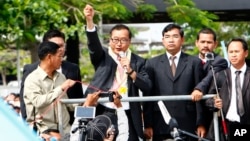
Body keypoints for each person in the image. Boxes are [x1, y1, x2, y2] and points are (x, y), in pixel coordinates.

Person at [83, 4, 152, 141]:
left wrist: (131, 71)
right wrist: (89, 21)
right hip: (103, 109)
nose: (118, 44)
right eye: (115, 40)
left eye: (123, 40)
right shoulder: (102, 56)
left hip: (128, 110)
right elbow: (93, 44)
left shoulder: (139, 61)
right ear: (110, 40)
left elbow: (147, 85)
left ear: (129, 42)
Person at [143, 23, 206, 141]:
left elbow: (199, 92)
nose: (171, 40)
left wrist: (200, 123)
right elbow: (148, 95)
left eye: (175, 36)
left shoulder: (194, 62)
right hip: (160, 123)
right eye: (167, 37)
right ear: (163, 40)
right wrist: (148, 124)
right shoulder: (152, 64)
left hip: (188, 123)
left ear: (182, 39)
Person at [19, 29, 84, 125]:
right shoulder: (31, 75)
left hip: (67, 130)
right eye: (55, 46)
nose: (60, 50)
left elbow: (68, 103)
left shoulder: (67, 73)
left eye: (62, 45)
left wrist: (86, 103)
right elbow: (31, 104)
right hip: (45, 132)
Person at [24, 41, 77, 140]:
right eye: (59, 56)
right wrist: (60, 88)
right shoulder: (32, 79)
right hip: (45, 134)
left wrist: (87, 103)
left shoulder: (61, 77)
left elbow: (66, 104)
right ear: (49, 57)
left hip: (66, 132)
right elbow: (38, 101)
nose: (62, 60)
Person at [206, 38, 250, 140]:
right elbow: (208, 99)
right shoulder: (220, 75)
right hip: (226, 125)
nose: (233, 55)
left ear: (246, 53)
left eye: (237, 51)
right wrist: (213, 103)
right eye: (231, 52)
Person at [191, 28, 228, 101]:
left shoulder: (220, 61)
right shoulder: (190, 60)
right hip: (191, 103)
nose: (205, 45)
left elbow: (210, 76)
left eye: (209, 42)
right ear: (196, 43)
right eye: (202, 42)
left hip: (210, 103)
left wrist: (199, 89)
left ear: (215, 44)